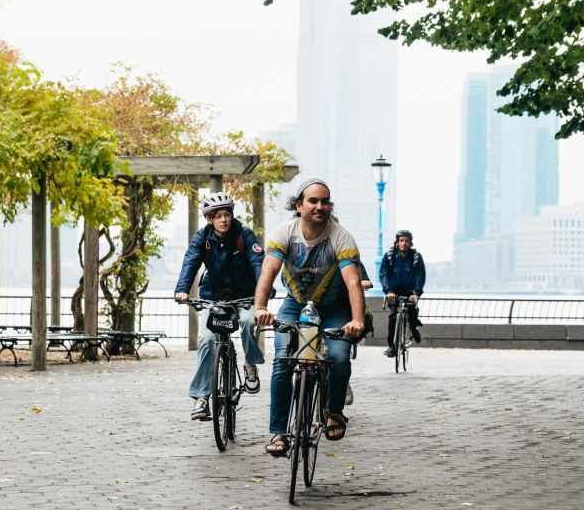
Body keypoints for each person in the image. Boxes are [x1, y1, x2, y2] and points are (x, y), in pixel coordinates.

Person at [253, 178, 365, 456]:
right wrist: (260, 307)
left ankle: (334, 411)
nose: (319, 206)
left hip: (333, 309)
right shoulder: (285, 233)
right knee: (283, 360)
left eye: (325, 201)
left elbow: (353, 283)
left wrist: (357, 320)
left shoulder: (341, 237)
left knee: (338, 357)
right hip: (295, 305)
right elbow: (268, 273)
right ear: (299, 205)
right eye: (313, 201)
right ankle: (279, 432)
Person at [174, 192, 265, 420]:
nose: (224, 219)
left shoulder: (244, 235)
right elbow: (190, 261)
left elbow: (258, 262)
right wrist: (182, 289)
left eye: (227, 214)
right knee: (206, 339)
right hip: (213, 296)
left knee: (247, 322)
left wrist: (263, 289)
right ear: (209, 219)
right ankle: (201, 398)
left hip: (244, 295)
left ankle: (251, 364)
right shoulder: (201, 238)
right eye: (218, 216)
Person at [379, 229, 426, 357]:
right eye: (401, 240)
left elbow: (420, 276)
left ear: (410, 243)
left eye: (406, 241)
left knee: (411, 313)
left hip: (410, 290)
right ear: (397, 242)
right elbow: (383, 274)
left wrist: (416, 293)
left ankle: (414, 327)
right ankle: (391, 346)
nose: (404, 243)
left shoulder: (416, 257)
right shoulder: (389, 256)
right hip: (393, 291)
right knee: (393, 315)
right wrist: (388, 291)